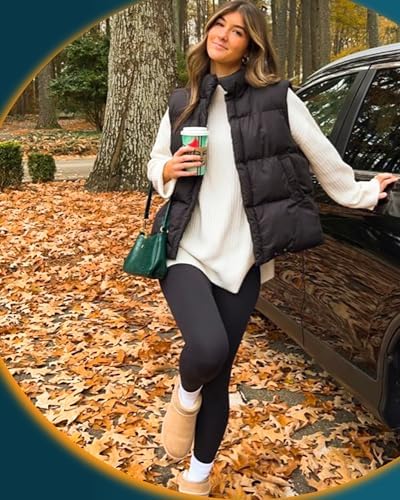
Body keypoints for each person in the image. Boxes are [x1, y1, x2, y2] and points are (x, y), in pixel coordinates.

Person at [147, 0, 398, 496]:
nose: (223, 34)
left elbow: (324, 158)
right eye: (219, 24)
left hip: (244, 258)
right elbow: (156, 162)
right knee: (208, 349)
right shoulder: (183, 101)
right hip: (186, 247)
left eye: (237, 31)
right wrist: (166, 170)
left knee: (221, 371)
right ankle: (185, 392)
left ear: (250, 47)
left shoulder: (278, 99)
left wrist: (364, 192)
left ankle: (197, 478)